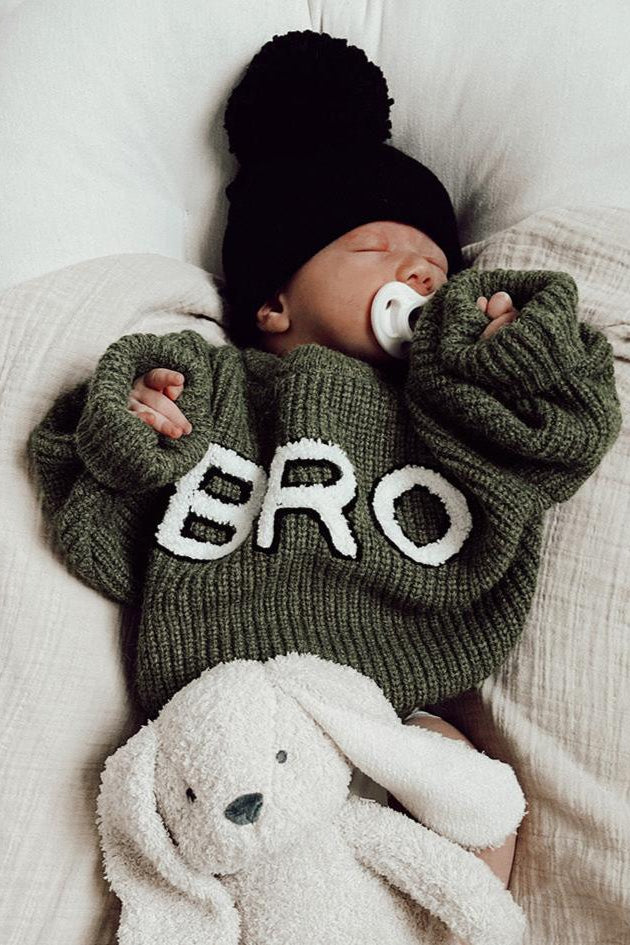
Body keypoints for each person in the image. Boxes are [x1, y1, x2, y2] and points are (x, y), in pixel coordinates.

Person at [28, 31, 621, 902]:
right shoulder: (220, 382)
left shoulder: (446, 402)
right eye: (376, 247)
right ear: (273, 299)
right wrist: (140, 425)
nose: (418, 268)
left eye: (435, 259)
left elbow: (559, 438)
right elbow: (93, 514)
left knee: (477, 802)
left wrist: (513, 354)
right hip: (225, 711)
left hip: (403, 704)